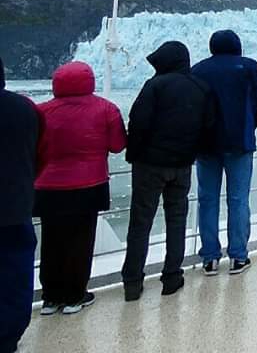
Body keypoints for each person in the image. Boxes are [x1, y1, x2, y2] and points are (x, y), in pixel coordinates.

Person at [122, 41, 216, 301]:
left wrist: (134, 154)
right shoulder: (201, 87)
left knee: (140, 222)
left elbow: (138, 121)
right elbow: (208, 126)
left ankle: (132, 281)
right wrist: (191, 153)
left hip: (149, 165)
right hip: (182, 166)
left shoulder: (155, 85)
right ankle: (172, 276)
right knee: (176, 220)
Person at [33, 62, 126, 316]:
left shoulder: (41, 111)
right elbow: (118, 145)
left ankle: (50, 298)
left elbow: (32, 147)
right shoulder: (105, 109)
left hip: (48, 186)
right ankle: (75, 296)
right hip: (89, 185)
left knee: (51, 240)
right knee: (81, 241)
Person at [191, 29, 257, 276]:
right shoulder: (248, 67)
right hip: (239, 142)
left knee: (207, 200)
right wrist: (247, 127)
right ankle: (238, 257)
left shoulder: (198, 69)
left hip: (206, 145)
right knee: (238, 199)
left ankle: (210, 258)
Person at [0, 56, 40, 350]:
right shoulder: (24, 108)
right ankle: (9, 333)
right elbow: (41, 150)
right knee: (16, 271)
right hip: (15, 203)